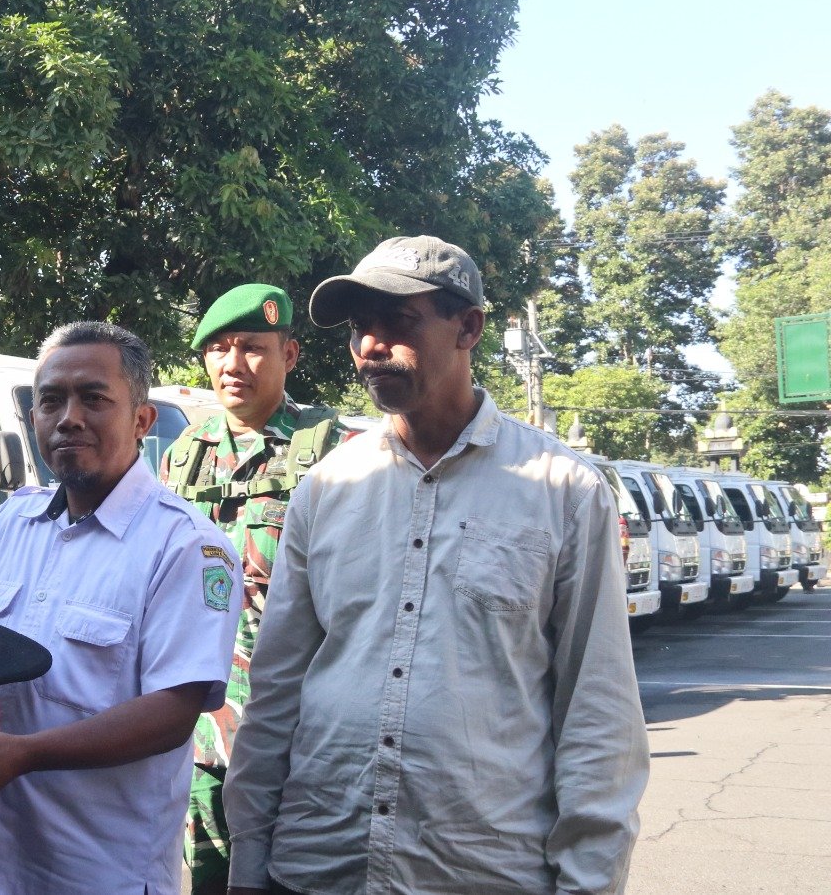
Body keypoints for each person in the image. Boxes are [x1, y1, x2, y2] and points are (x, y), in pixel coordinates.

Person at [224, 236, 649, 895]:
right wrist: (249, 863)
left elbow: (598, 711)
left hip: (479, 872)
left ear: (468, 328)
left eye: (399, 321)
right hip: (320, 865)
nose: (371, 345)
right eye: (360, 327)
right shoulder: (326, 489)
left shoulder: (562, 490)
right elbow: (276, 692)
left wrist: (588, 881)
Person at [0, 321, 242, 895]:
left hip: (101, 874)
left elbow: (173, 712)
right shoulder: (11, 522)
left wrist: (27, 754)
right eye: (51, 401)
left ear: (142, 420)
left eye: (94, 398)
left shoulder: (187, 547)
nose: (69, 417)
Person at [159, 283, 342, 895]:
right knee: (210, 878)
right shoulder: (183, 456)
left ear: (289, 354)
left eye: (253, 347)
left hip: (295, 731)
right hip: (200, 727)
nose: (233, 363)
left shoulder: (332, 453)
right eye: (219, 348)